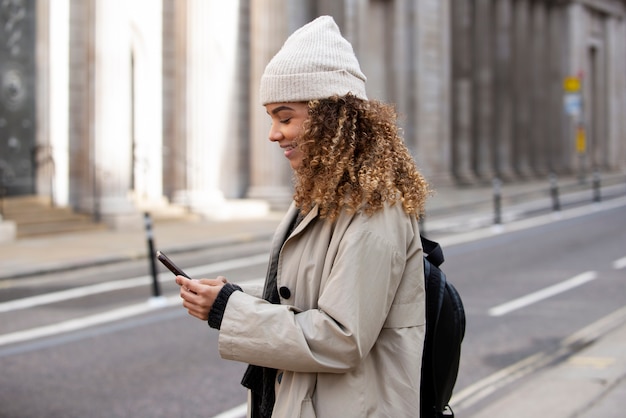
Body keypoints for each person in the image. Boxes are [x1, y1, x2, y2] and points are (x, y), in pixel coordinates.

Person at [176, 15, 431, 418]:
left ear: (330, 118)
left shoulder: (373, 211)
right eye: (272, 119)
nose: (273, 134)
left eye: (284, 117)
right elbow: (304, 303)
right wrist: (236, 298)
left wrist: (229, 309)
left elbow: (341, 337)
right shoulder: (321, 197)